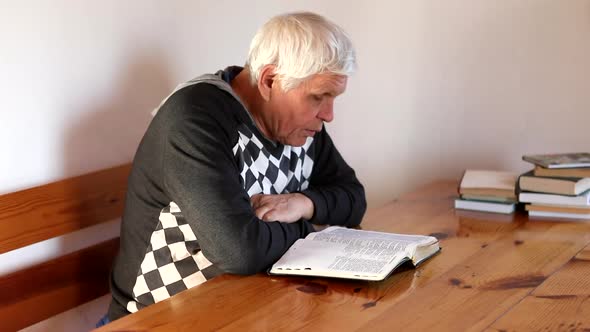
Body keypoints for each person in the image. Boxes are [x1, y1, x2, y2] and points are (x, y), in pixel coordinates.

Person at [101, 11, 366, 325]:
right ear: (270, 80)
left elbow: (353, 200)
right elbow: (240, 252)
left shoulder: (298, 126)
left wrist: (303, 204)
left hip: (251, 310)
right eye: (319, 96)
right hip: (157, 320)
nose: (328, 115)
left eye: (333, 97)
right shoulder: (195, 120)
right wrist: (314, 230)